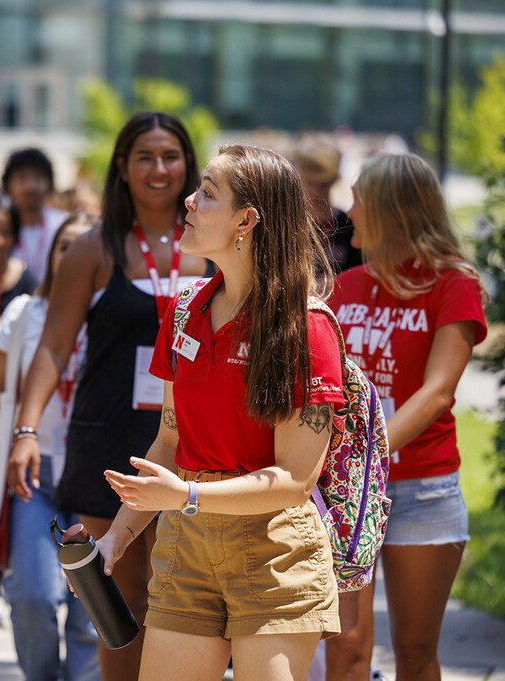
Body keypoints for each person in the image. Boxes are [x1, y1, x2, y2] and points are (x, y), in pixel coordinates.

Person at [97, 143, 344, 681]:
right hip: (187, 546)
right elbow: (169, 443)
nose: (187, 200)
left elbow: (295, 481)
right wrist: (114, 541)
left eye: (207, 193)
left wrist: (185, 495)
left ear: (246, 220)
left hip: (275, 550)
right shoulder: (184, 312)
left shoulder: (306, 326)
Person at [9, 111, 208, 681]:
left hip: (189, 446)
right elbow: (51, 349)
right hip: (108, 443)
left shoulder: (213, 248)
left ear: (187, 166)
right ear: (122, 167)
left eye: (170, 156)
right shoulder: (94, 248)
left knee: (182, 605)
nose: (159, 168)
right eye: (144, 156)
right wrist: (26, 431)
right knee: (116, 608)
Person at [324, 153, 487, 681]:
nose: (350, 211)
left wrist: (365, 453)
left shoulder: (452, 283)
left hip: (423, 490)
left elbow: (439, 392)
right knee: (346, 647)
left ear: (393, 209)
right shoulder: (344, 286)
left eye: (359, 198)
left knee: (415, 653)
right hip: (349, 493)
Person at [0, 212, 101, 681]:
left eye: (86, 246)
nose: (75, 255)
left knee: (92, 607)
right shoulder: (25, 312)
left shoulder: (114, 316)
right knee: (32, 595)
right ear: (52, 256)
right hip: (35, 474)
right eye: (66, 245)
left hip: (96, 476)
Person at [293, 134, 362, 275]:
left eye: (323, 184)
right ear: (299, 177)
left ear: (335, 179)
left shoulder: (349, 225)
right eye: (310, 182)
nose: (315, 192)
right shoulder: (287, 224)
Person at [2, 147, 68, 281]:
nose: (30, 187)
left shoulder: (62, 225)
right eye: (22, 178)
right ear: (8, 185)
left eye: (37, 178)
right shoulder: (0, 228)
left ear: (49, 183)